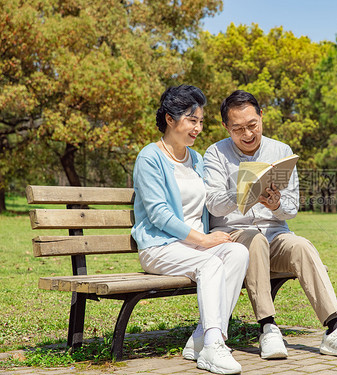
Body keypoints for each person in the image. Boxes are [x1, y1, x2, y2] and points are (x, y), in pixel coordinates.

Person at [203, 90, 337, 361]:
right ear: (225, 127)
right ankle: (268, 328)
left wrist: (276, 205)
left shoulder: (281, 151)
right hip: (235, 236)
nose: (247, 134)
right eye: (238, 129)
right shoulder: (215, 154)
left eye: (252, 125)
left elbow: (291, 209)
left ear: (262, 117)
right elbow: (213, 205)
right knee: (254, 241)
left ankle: (335, 329)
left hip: (275, 234)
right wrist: (242, 193)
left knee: (301, 245)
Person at [131, 85, 249, 375]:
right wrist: (205, 240)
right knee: (211, 262)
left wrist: (247, 191)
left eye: (200, 121)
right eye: (191, 120)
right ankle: (212, 346)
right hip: (160, 247)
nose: (198, 128)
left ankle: (202, 338)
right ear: (170, 119)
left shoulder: (196, 160)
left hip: (194, 247)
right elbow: (160, 215)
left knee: (236, 253)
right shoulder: (150, 158)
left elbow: (210, 201)